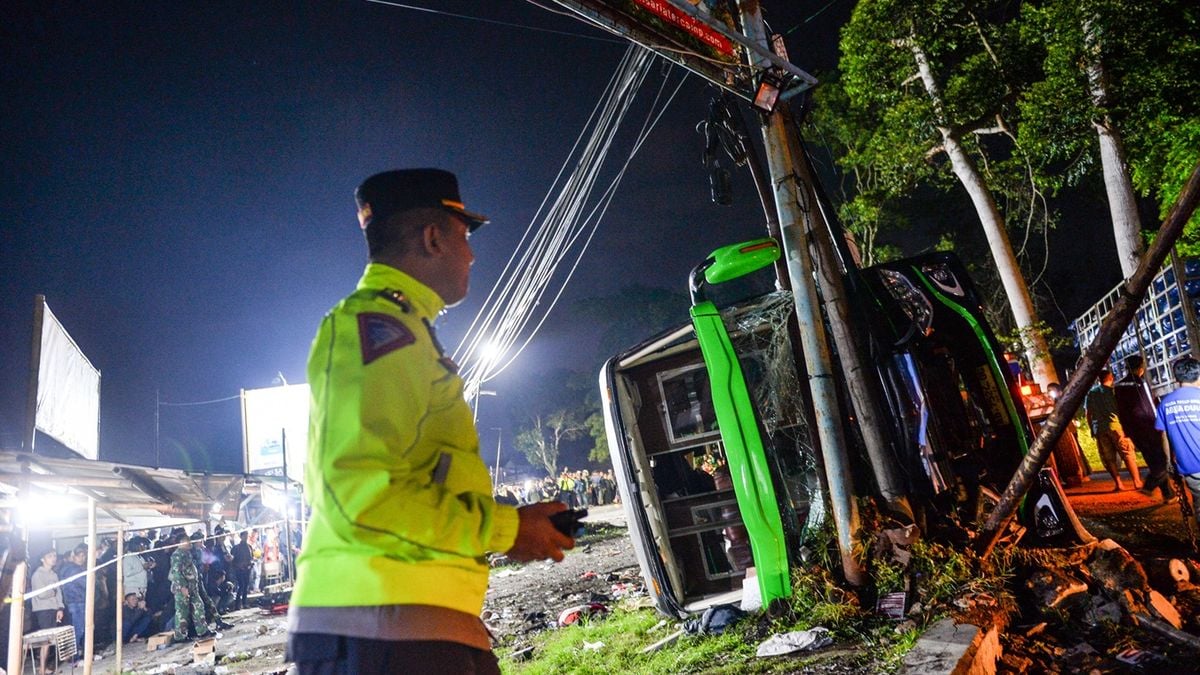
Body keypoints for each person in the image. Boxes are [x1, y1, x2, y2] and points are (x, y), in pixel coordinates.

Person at [287, 168, 573, 674]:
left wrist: (512, 529)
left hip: (416, 628)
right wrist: (506, 529)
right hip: (381, 633)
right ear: (433, 237)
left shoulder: (404, 329)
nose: (472, 254)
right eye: (464, 236)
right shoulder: (376, 328)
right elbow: (358, 490)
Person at [1116, 355, 1175, 500]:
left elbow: (1121, 410)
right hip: (1149, 426)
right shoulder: (1140, 383)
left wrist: (1127, 430)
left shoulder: (1118, 386)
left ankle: (1168, 493)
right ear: (1140, 368)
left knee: (1152, 459)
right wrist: (1159, 424)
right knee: (1162, 461)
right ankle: (1149, 486)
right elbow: (1150, 407)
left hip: (1133, 429)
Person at [1157, 357, 1200, 523]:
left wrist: (1169, 462)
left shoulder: (1165, 404)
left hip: (1190, 468)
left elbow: (1164, 436)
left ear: (1176, 377)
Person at [1085, 369, 1143, 491]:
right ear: (1111, 378)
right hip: (1117, 427)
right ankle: (1137, 482)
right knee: (1127, 454)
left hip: (1100, 429)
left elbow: (1088, 414)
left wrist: (1092, 429)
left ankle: (1118, 483)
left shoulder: (1091, 393)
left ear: (1099, 379)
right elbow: (1123, 410)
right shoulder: (1114, 392)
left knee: (1109, 458)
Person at [169, 531, 214, 644]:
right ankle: (180, 636)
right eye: (187, 540)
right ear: (181, 542)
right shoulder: (177, 555)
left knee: (198, 606)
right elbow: (177, 573)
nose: (190, 543)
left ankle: (202, 630)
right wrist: (183, 587)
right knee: (182, 612)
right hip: (182, 588)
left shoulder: (187, 553)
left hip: (192, 587)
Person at [30, 549, 64, 675]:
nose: (53, 558)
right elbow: (41, 594)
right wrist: (53, 591)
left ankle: (44, 668)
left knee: (50, 640)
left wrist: (60, 607)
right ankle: (41, 669)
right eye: (50, 556)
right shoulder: (38, 574)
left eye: (54, 555)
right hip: (43, 610)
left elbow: (59, 592)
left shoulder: (54, 574)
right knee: (46, 640)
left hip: (54, 608)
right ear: (42, 559)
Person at [59, 544, 88, 655]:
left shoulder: (70, 568)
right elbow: (86, 583)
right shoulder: (73, 569)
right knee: (78, 629)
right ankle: (74, 657)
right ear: (73, 556)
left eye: (84, 556)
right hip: (77, 602)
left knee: (78, 629)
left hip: (75, 601)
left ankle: (77, 654)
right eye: (80, 556)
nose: (82, 558)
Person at [230, 530, 253, 610]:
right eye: (244, 535)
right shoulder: (236, 548)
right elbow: (233, 560)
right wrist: (239, 566)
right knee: (241, 586)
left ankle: (244, 602)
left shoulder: (249, 547)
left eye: (247, 535)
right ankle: (237, 604)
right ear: (241, 536)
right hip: (239, 570)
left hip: (247, 569)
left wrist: (250, 564)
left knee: (246, 586)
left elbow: (251, 558)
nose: (246, 537)